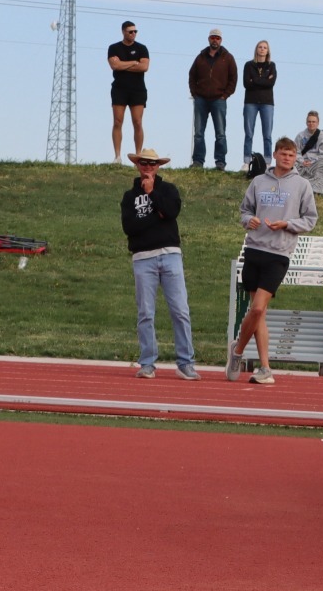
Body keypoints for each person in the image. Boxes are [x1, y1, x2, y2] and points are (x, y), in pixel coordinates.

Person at [227, 137, 318, 385]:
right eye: (283, 153)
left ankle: (237, 350)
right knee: (260, 314)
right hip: (254, 249)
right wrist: (249, 221)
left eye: (291, 154)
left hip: (279, 254)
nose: (287, 158)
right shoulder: (258, 181)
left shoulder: (302, 185)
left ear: (295, 157)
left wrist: (287, 224)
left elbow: (310, 220)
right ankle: (265, 368)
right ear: (275, 154)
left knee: (256, 308)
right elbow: (244, 211)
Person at [121, 148, 199, 380]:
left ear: (158, 166)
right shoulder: (129, 196)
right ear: (137, 165)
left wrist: (152, 193)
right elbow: (130, 228)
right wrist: (157, 216)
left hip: (170, 255)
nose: (147, 166)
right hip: (142, 258)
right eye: (143, 162)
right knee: (145, 312)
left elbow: (172, 211)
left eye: (152, 163)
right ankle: (147, 363)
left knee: (180, 311)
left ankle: (186, 362)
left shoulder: (168, 189)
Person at [188, 28, 237, 171]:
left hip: (219, 100)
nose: (215, 40)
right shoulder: (200, 57)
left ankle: (220, 162)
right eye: (212, 38)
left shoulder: (228, 58)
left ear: (221, 40)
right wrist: (195, 93)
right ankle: (198, 161)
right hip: (201, 100)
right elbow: (192, 75)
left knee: (220, 133)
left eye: (217, 38)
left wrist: (225, 95)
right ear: (209, 39)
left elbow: (233, 79)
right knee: (198, 133)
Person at [107, 21, 150, 163]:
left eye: (135, 31)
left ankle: (138, 155)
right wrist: (133, 62)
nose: (133, 34)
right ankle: (117, 156)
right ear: (123, 32)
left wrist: (123, 65)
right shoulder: (113, 48)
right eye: (130, 31)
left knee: (137, 122)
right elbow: (115, 65)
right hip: (119, 89)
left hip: (137, 90)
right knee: (118, 121)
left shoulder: (142, 48)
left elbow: (144, 67)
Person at [242, 40, 277, 170]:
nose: (262, 49)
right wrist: (263, 80)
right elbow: (246, 83)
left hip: (267, 103)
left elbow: (271, 83)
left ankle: (267, 162)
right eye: (260, 47)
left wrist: (255, 80)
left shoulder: (271, 65)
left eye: (265, 48)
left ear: (268, 51)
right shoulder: (249, 65)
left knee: (267, 134)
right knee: (249, 133)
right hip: (250, 102)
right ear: (256, 49)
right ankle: (246, 161)